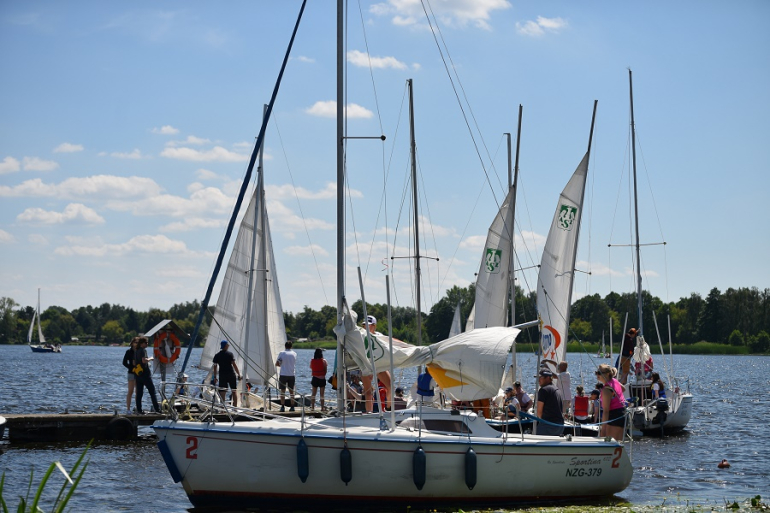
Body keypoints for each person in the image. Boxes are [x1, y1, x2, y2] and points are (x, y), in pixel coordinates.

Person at [596, 363, 626, 441]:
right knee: (617, 443)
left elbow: (606, 411)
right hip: (621, 413)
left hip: (614, 415)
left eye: (600, 373)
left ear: (608, 374)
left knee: (609, 443)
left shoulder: (606, 389)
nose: (597, 375)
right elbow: (623, 389)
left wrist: (603, 430)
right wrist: (617, 397)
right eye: (597, 372)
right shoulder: (614, 381)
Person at [134, 337, 161, 414]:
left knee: (139, 393)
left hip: (138, 374)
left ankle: (139, 410)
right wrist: (150, 359)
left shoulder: (136, 350)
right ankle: (157, 409)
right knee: (152, 392)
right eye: (146, 343)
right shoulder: (143, 350)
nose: (147, 344)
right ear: (142, 343)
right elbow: (143, 360)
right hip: (145, 375)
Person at [213, 340, 241, 407]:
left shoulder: (217, 355)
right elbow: (234, 365)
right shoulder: (230, 354)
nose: (228, 346)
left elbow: (215, 366)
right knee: (234, 391)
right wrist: (239, 374)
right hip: (231, 374)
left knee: (223, 391)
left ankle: (223, 408)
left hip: (222, 375)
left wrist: (215, 376)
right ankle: (235, 407)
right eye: (228, 345)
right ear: (226, 346)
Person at [536, 369, 564, 436]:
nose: (538, 380)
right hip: (559, 425)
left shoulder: (543, 390)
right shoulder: (557, 390)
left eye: (540, 378)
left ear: (548, 378)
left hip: (548, 425)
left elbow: (539, 412)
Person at [275, 341, 297, 412]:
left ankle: (282, 406)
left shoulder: (282, 353)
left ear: (285, 346)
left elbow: (277, 363)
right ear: (291, 346)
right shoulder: (294, 353)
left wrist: (282, 365)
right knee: (291, 391)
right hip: (291, 374)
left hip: (283, 374)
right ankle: (292, 406)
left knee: (282, 391)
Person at [122, 338, 138, 414]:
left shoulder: (140, 351)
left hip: (139, 373)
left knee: (138, 391)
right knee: (130, 391)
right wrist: (131, 367)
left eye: (138, 342)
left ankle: (137, 407)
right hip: (131, 373)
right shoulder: (129, 352)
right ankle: (128, 409)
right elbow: (124, 362)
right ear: (132, 343)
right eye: (135, 342)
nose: (136, 344)